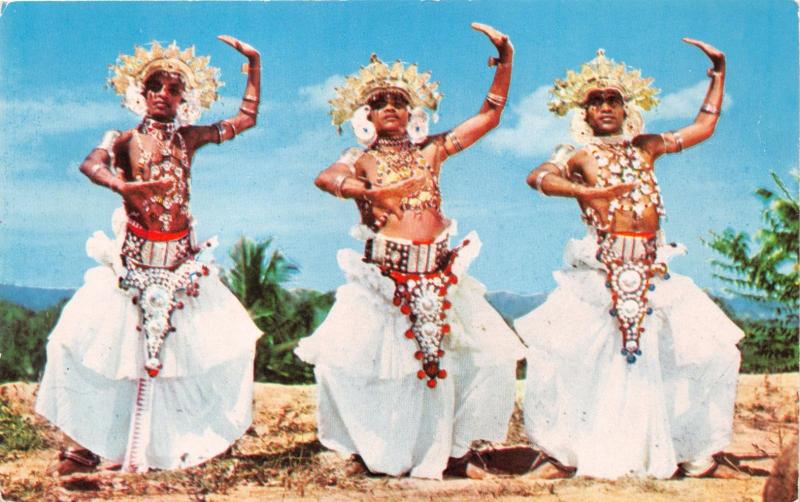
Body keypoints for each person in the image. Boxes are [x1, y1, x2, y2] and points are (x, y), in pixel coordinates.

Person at [295, 23, 525, 480]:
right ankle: (369, 449)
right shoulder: (359, 157)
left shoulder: (431, 151)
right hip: (385, 279)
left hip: (439, 275)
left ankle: (455, 452)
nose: (390, 109)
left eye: (398, 102)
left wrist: (505, 62)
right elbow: (326, 178)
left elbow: (489, 116)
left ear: (411, 111)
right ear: (367, 115)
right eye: (379, 103)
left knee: (485, 356)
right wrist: (367, 191)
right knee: (358, 366)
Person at [516, 40, 744, 479]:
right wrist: (585, 191)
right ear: (582, 113)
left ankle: (697, 452)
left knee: (708, 353)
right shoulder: (575, 153)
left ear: (626, 109)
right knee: (567, 358)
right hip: (601, 272)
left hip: (654, 270)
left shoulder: (646, 147)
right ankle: (564, 454)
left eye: (613, 99)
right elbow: (538, 176)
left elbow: (702, 127)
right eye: (595, 100)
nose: (604, 106)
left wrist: (718, 75)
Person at [35, 37, 263, 475]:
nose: (163, 94)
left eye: (172, 88)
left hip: (179, 264)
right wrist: (122, 186)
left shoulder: (189, 138)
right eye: (155, 86)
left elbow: (246, 118)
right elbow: (91, 164)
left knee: (219, 345)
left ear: (184, 98)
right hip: (133, 264)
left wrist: (253, 65)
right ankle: (85, 445)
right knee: (86, 346)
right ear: (140, 92)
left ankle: (198, 441)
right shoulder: (123, 140)